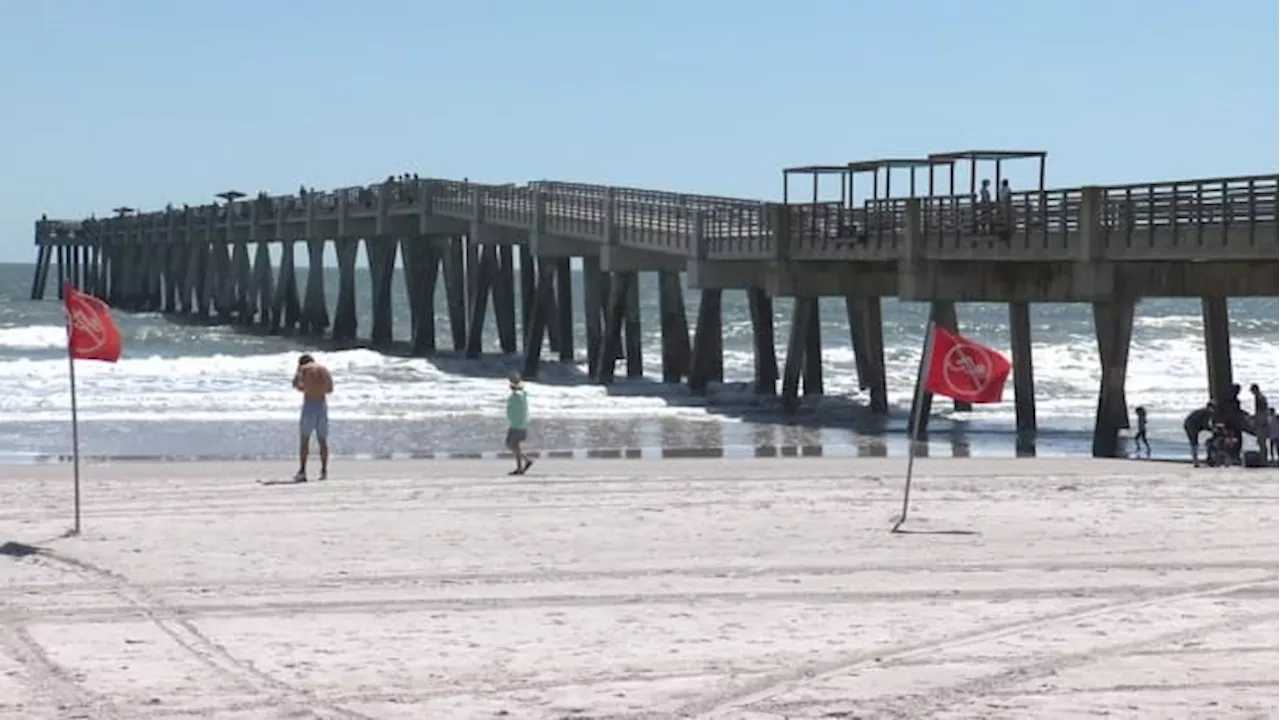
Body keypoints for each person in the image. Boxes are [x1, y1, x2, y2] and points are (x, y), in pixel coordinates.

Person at [292, 354, 333, 482]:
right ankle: (324, 471)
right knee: (323, 440)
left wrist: (302, 381)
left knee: (305, 439)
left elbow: (296, 385)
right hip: (322, 405)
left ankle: (303, 471)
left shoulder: (304, 369)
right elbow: (330, 389)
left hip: (309, 404)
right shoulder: (324, 369)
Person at [505, 373, 534, 475]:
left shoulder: (516, 396)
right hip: (520, 424)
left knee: (511, 444)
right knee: (513, 445)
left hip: (516, 425)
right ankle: (524, 462)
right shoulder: (522, 395)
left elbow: (513, 410)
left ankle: (522, 465)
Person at [1183, 401, 1215, 467]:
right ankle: (1195, 462)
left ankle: (1195, 461)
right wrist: (1212, 430)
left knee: (1194, 443)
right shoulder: (1206, 413)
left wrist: (1210, 429)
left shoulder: (1204, 412)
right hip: (1191, 425)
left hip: (1190, 424)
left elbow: (1203, 425)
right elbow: (1205, 424)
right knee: (1194, 443)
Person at [1250, 383, 1270, 463]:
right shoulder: (1260, 397)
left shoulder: (1259, 398)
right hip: (1262, 422)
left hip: (1261, 423)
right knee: (1261, 442)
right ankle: (1264, 458)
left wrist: (1256, 420)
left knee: (1261, 442)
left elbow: (1261, 411)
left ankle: (1263, 459)